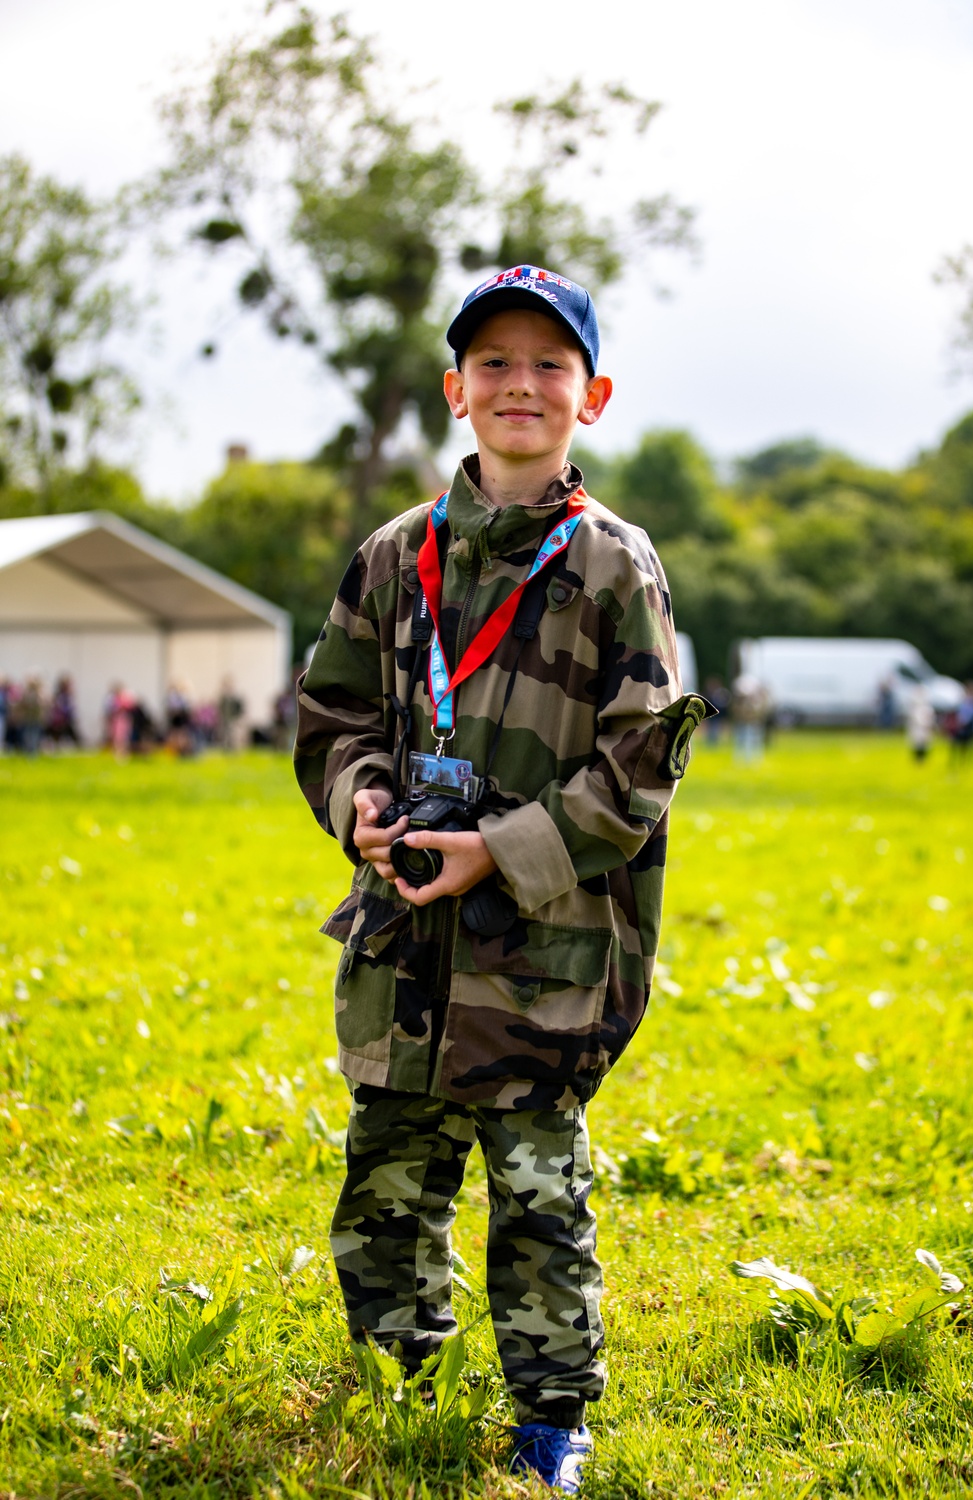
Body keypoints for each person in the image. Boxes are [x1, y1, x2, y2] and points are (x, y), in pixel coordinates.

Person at [294, 264, 712, 1494]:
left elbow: (642, 767)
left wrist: (503, 849)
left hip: (540, 947)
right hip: (404, 940)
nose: (519, 385)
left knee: (538, 1187)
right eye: (494, 364)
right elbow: (329, 714)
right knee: (387, 1175)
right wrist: (364, 798)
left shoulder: (612, 565)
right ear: (454, 391)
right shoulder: (393, 554)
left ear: (594, 396)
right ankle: (397, 1378)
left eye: (548, 366)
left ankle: (551, 1411)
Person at [905, 684, 934, 762]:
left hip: (925, 728)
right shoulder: (914, 708)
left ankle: (923, 758)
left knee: (924, 744)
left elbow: (930, 717)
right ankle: (917, 758)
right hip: (917, 728)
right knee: (916, 743)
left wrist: (927, 723)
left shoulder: (927, 707)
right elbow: (914, 718)